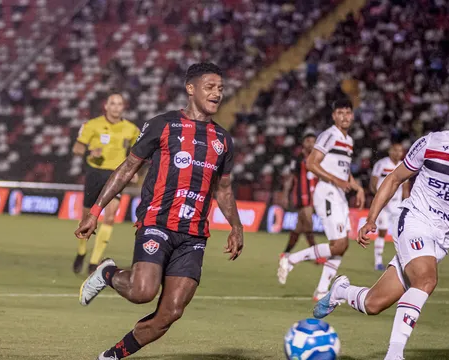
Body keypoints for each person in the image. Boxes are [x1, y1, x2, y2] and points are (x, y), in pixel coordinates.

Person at [75, 63, 244, 360]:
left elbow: (224, 188)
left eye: (220, 88)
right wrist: (95, 210)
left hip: (194, 236)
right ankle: (107, 272)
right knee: (142, 292)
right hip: (158, 223)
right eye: (210, 87)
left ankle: (111, 356)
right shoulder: (163, 124)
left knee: (171, 312)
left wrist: (236, 226)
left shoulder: (223, 140)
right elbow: (129, 167)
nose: (217, 93)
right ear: (190, 89)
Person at [313, 94, 449, 360]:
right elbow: (395, 178)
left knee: (373, 304)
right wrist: (371, 218)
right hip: (415, 221)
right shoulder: (432, 143)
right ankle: (394, 355)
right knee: (426, 279)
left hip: (442, 239)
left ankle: (341, 290)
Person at [277, 99, 366, 300]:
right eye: (340, 113)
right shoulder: (329, 135)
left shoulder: (349, 141)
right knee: (338, 244)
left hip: (339, 194)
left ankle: (321, 291)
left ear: (352, 116)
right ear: (334, 116)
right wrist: (336, 180)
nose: (344, 117)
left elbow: (344, 171)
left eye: (348, 113)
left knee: (342, 246)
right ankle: (292, 259)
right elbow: (311, 163)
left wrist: (357, 187)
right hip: (327, 192)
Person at [72, 93, 140, 274]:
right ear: (106, 106)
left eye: (120, 104)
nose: (116, 107)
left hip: (116, 175)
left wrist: (133, 171)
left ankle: (94, 262)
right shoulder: (91, 125)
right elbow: (77, 148)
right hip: (94, 173)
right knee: (87, 218)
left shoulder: (131, 129)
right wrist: (89, 151)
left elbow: (139, 152)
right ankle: (81, 252)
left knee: (110, 216)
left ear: (123, 107)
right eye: (113, 103)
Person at [281, 133, 325, 264]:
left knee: (299, 228)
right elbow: (290, 178)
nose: (311, 143)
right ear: (303, 143)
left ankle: (286, 253)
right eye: (308, 141)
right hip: (301, 196)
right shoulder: (298, 159)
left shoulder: (318, 159)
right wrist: (284, 194)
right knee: (308, 223)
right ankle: (316, 254)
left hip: (314, 197)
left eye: (313, 141)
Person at [369, 143, 410, 271]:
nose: (398, 153)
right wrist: (380, 199)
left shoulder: (404, 165)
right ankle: (378, 262)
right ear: (390, 151)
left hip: (397, 205)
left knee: (401, 233)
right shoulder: (381, 164)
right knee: (382, 232)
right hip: (384, 206)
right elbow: (373, 183)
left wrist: (407, 201)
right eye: (395, 150)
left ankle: (402, 262)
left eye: (400, 151)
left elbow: (405, 186)